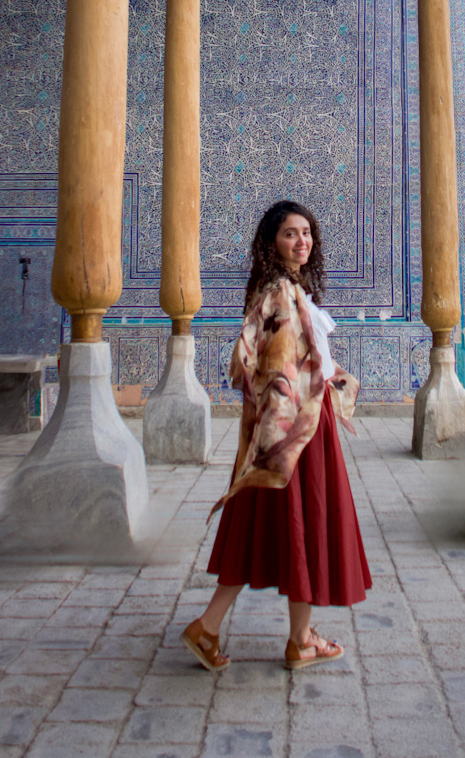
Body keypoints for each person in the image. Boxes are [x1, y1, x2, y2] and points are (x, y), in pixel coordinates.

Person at [181, 200, 371, 672]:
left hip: (291, 428)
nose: (302, 241)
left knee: (266, 528)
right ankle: (298, 640)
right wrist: (284, 434)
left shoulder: (286, 290)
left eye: (307, 233)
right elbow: (279, 369)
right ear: (272, 242)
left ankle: (211, 628)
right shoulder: (282, 294)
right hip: (296, 431)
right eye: (291, 233)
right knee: (298, 526)